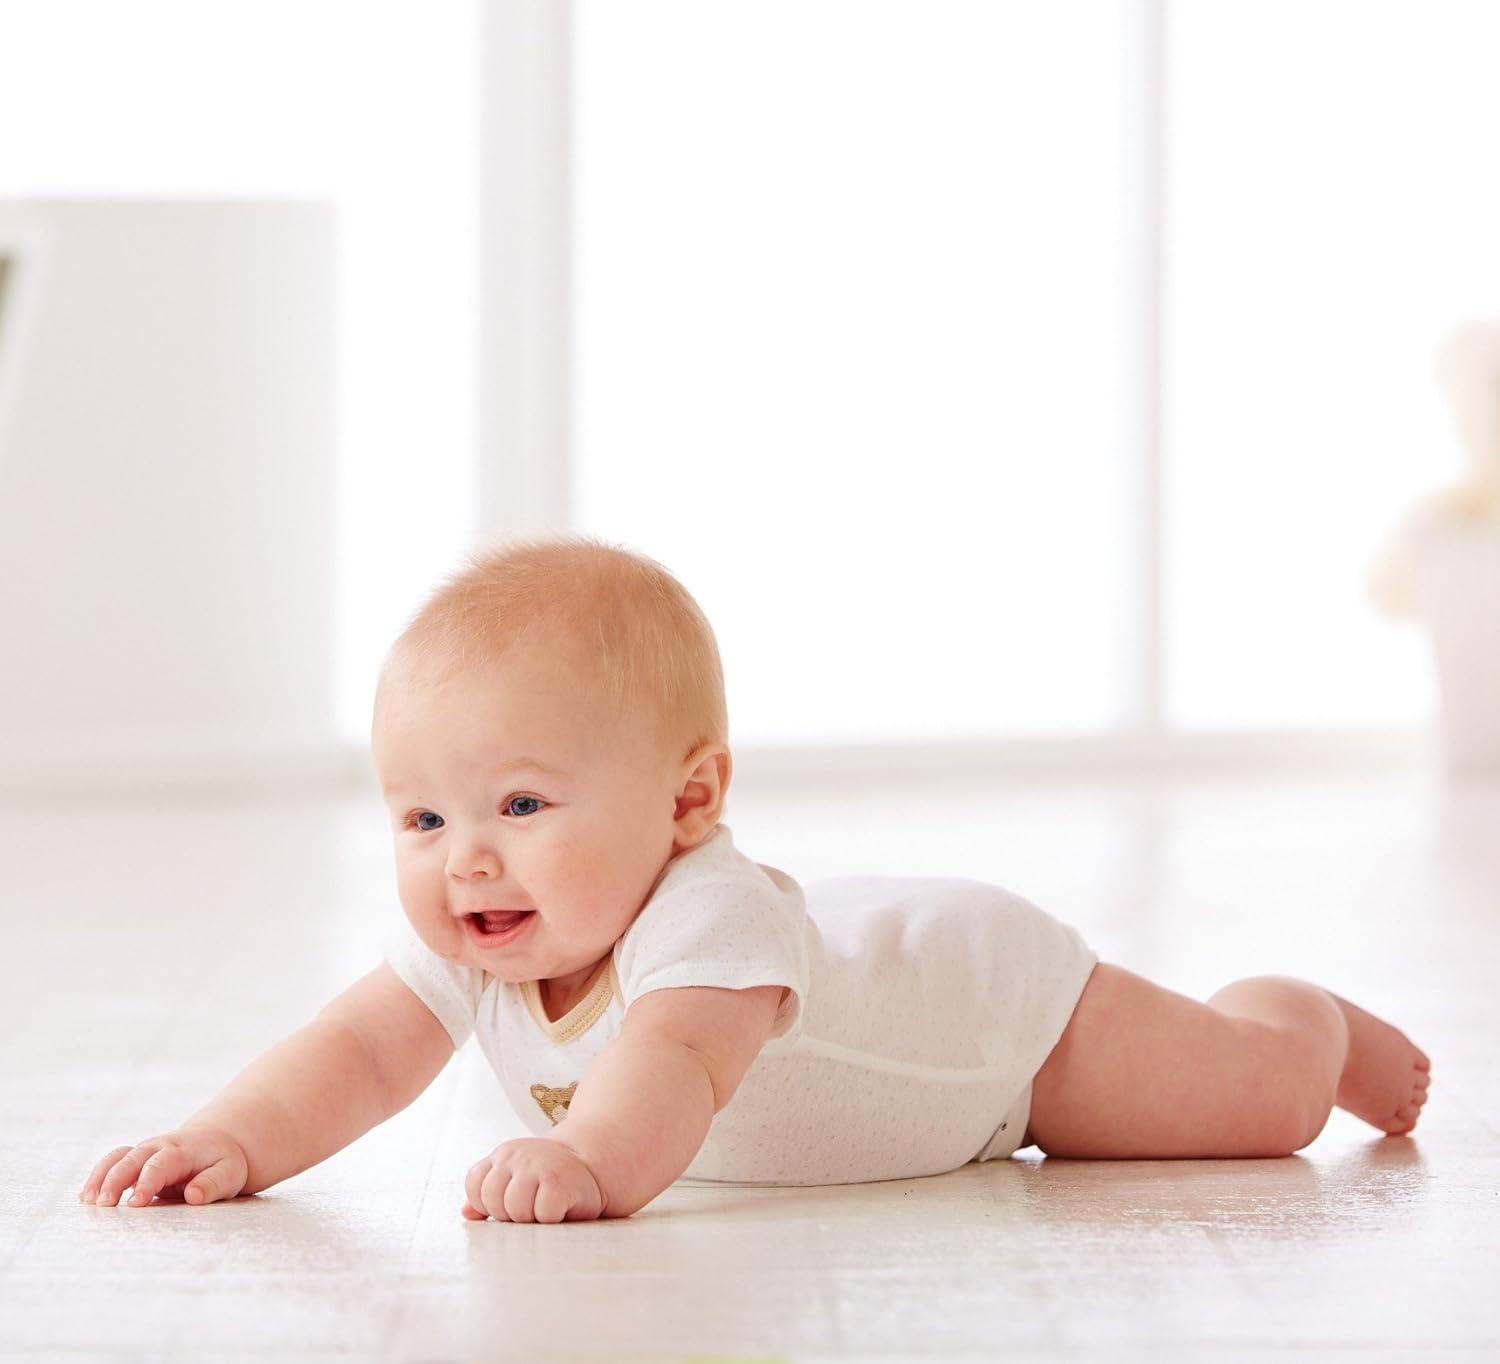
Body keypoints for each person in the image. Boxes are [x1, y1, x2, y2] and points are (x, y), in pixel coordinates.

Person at [79, 536, 1432, 1223]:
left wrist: (585, 1163)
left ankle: (1300, 1017)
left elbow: (673, 1069)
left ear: (688, 802)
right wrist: (231, 1139)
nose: (465, 855)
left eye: (521, 805)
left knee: (1255, 1105)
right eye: (421, 817)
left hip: (998, 1027)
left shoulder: (707, 917)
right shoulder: (482, 928)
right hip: (897, 1033)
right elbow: (357, 1053)